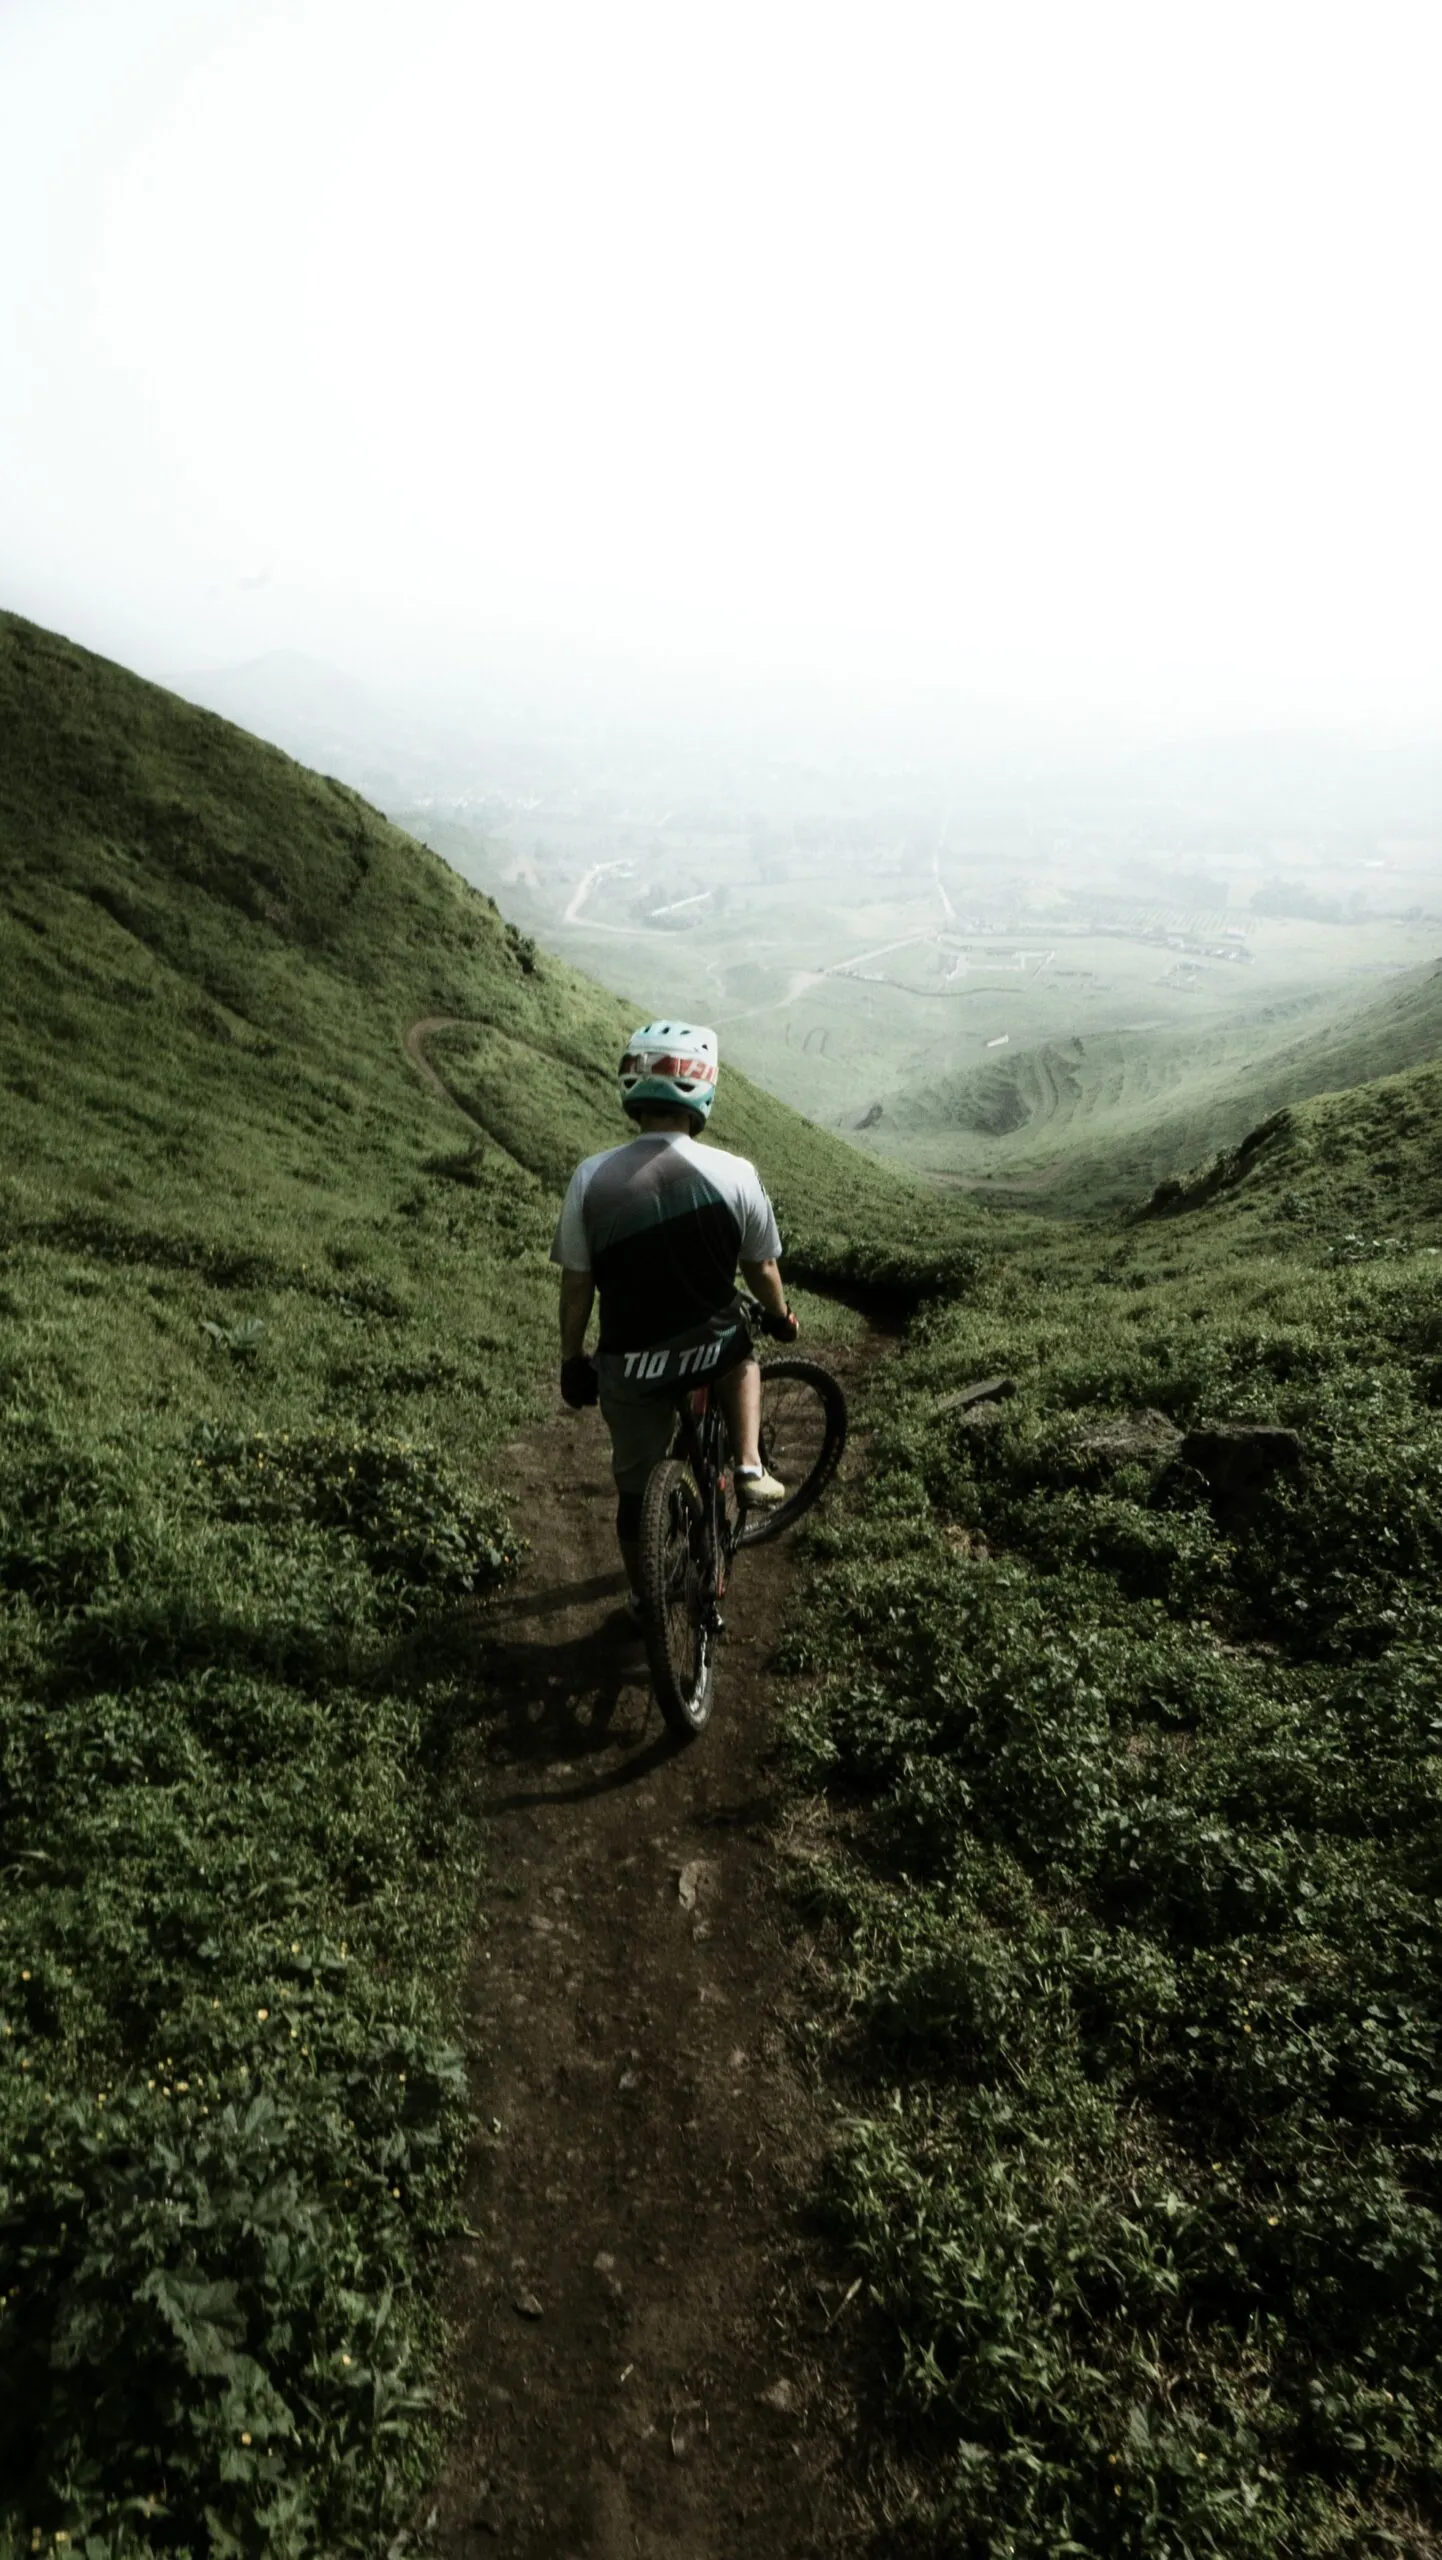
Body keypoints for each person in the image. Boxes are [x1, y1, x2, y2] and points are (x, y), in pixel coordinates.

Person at [551, 1019, 799, 1608]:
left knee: (636, 1501)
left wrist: (571, 1359)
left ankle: (644, 1604)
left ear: (632, 1091)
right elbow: (761, 1271)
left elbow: (577, 1284)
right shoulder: (736, 1174)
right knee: (744, 1358)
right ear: (703, 1093)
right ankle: (746, 1463)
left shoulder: (591, 1178)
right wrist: (782, 1316)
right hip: (710, 1347)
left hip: (628, 1365)